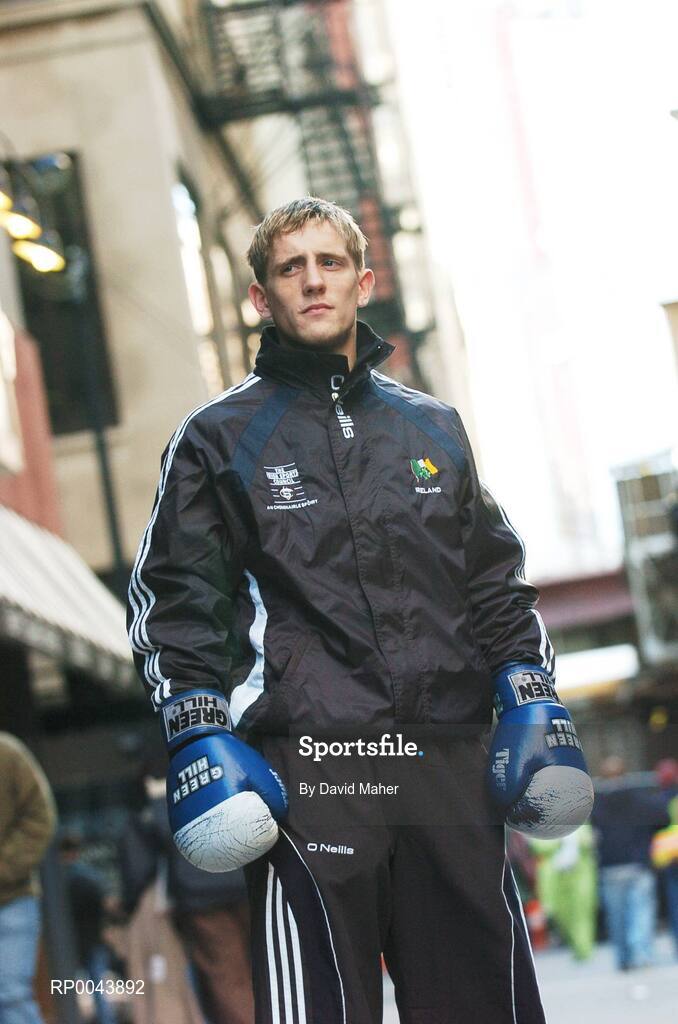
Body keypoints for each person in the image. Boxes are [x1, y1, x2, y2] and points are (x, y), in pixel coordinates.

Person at [127, 196, 593, 1023]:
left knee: (485, 1007)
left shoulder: (433, 427)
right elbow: (177, 600)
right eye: (290, 268)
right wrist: (197, 726)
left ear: (362, 283)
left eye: (330, 263)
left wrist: (529, 690)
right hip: (311, 766)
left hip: (446, 757)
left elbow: (493, 579)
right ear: (261, 298)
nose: (313, 281)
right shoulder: (215, 438)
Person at [118, 757, 254, 1024]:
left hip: (200, 895)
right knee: (264, 965)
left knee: (226, 975)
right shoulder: (220, 770)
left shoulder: (155, 806)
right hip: (246, 881)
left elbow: (141, 865)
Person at [592, 755, 669, 970]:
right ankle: (642, 954)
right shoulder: (639, 798)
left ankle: (623, 958)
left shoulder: (596, 803)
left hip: (610, 866)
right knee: (641, 911)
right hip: (638, 863)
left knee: (617, 916)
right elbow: (663, 817)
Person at [0, 731, 57, 1024]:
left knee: (11, 995)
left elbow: (40, 818)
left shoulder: (8, 754)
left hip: (13, 898)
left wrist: (3, 866)